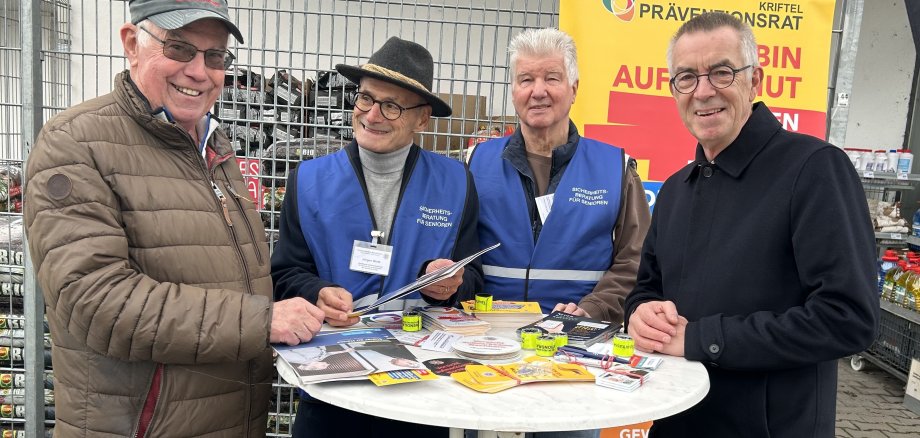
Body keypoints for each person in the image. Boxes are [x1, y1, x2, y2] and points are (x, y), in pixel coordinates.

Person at [22, 1, 324, 436]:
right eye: (180, 49)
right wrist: (264, 320)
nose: (199, 71)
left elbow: (228, 276)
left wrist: (308, 300)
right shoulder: (75, 144)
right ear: (131, 44)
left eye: (215, 56)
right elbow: (97, 301)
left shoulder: (213, 145)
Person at [623, 12, 879, 438]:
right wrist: (640, 314)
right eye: (686, 77)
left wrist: (701, 338)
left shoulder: (813, 170)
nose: (703, 91)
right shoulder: (674, 190)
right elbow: (648, 287)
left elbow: (848, 318)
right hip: (677, 421)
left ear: (755, 81)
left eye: (721, 72)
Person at [271, 36, 482, 437]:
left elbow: (474, 276)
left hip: (421, 392)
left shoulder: (457, 184)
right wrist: (317, 290)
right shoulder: (308, 182)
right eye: (366, 98)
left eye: (391, 105)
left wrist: (450, 284)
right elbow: (285, 273)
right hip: (332, 387)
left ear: (423, 118)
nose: (372, 115)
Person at [468, 27, 651, 324]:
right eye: (526, 79)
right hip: (487, 337)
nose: (538, 91)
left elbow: (637, 259)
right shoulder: (475, 163)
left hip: (579, 338)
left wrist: (594, 308)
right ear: (514, 91)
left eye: (551, 78)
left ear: (574, 89)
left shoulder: (616, 168)